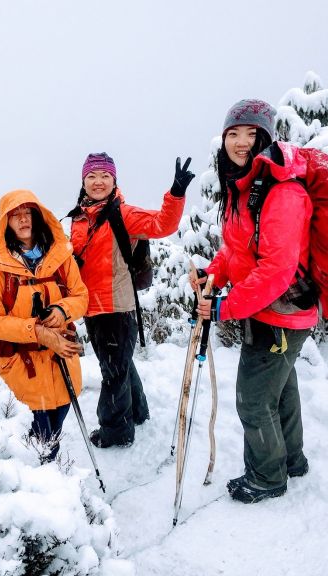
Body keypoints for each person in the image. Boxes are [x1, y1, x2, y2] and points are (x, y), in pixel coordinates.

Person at [192, 98, 316, 504]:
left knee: (253, 398)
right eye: (233, 133)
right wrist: (214, 274)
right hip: (265, 309)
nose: (241, 142)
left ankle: (266, 476)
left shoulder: (282, 192)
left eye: (251, 133)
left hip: (281, 312)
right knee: (280, 389)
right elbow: (235, 251)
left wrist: (226, 306)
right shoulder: (243, 187)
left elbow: (277, 269)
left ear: (266, 136)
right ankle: (291, 460)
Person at [69, 152, 193, 448]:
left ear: (114, 180)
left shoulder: (122, 213)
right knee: (120, 365)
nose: (98, 182)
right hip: (92, 308)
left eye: (104, 176)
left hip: (117, 307)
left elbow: (163, 224)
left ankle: (116, 432)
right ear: (83, 181)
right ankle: (138, 411)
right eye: (92, 176)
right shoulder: (78, 218)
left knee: (112, 373)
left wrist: (175, 194)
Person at [0, 190, 88, 462]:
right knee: (35, 443)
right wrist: (37, 331)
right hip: (22, 369)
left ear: (38, 218)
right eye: (15, 215)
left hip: (62, 362)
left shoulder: (61, 257)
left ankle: (50, 484)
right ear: (6, 222)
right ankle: (40, 487)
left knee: (55, 428)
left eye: (28, 213)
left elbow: (81, 296)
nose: (23, 220)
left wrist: (62, 310)